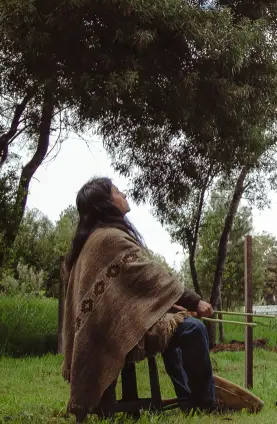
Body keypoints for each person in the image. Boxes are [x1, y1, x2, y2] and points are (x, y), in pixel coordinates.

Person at [60, 177, 217, 419]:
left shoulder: (93, 240)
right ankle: (205, 403)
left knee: (174, 321)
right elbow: (150, 275)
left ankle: (187, 399)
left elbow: (130, 291)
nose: (124, 195)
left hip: (108, 330)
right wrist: (193, 301)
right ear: (106, 203)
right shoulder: (108, 239)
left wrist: (173, 304)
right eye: (117, 192)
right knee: (193, 330)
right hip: (117, 334)